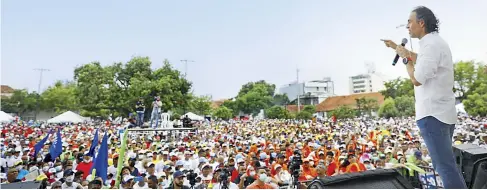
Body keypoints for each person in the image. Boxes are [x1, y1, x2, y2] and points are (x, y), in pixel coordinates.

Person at [381, 6, 466, 189]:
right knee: (446, 164)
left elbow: (417, 79)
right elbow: (423, 59)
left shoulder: (430, 44)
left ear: (421, 23)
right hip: (442, 112)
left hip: (432, 114)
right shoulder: (435, 43)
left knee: (444, 167)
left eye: (409, 22)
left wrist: (406, 61)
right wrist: (397, 48)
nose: (407, 26)